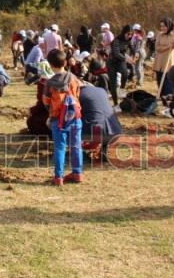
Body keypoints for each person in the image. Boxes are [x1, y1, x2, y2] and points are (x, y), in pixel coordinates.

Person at [43, 49, 83, 186]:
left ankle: (58, 177)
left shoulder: (49, 83)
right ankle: (77, 173)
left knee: (60, 148)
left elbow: (46, 101)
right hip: (75, 117)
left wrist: (51, 113)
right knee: (76, 146)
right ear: (65, 62)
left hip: (58, 119)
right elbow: (78, 94)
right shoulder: (73, 78)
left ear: (50, 65)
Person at [79, 83, 122, 158]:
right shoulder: (102, 91)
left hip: (93, 132)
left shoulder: (78, 93)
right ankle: (104, 149)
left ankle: (80, 151)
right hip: (116, 132)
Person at [154, 17, 174, 99]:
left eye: (164, 26)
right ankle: (161, 96)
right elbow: (157, 48)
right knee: (160, 81)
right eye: (161, 26)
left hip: (170, 62)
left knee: (168, 82)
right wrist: (167, 47)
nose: (162, 28)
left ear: (169, 26)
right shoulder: (160, 35)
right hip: (159, 62)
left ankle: (169, 97)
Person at [108, 25, 133, 105]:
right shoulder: (116, 40)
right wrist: (126, 59)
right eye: (128, 34)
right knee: (113, 84)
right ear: (124, 33)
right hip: (112, 62)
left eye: (131, 34)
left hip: (121, 61)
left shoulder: (129, 40)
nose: (129, 36)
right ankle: (115, 103)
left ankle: (122, 89)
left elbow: (132, 47)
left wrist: (135, 53)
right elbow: (116, 53)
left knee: (125, 74)